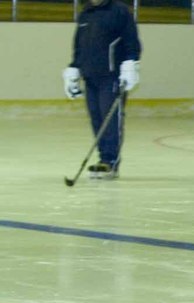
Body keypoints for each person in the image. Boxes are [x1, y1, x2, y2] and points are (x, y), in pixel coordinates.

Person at [62, 0, 141, 180]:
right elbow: (79, 47)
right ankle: (103, 158)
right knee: (97, 118)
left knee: (110, 118)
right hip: (90, 76)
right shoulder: (86, 13)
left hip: (111, 76)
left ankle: (110, 161)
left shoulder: (119, 11)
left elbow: (131, 41)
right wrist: (74, 68)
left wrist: (131, 63)